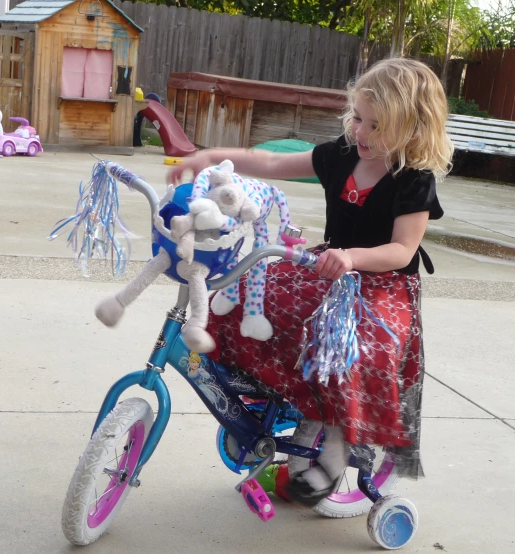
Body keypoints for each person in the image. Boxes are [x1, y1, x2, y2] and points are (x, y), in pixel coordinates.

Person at [167, 57, 454, 506]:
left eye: (376, 126)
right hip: (327, 268)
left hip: (381, 284)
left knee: (354, 348)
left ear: (413, 130)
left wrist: (353, 257)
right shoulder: (341, 154)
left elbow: (403, 250)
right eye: (358, 118)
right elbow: (268, 162)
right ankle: (279, 394)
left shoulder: (413, 181)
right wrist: (209, 157)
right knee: (245, 289)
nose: (361, 132)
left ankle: (336, 449)